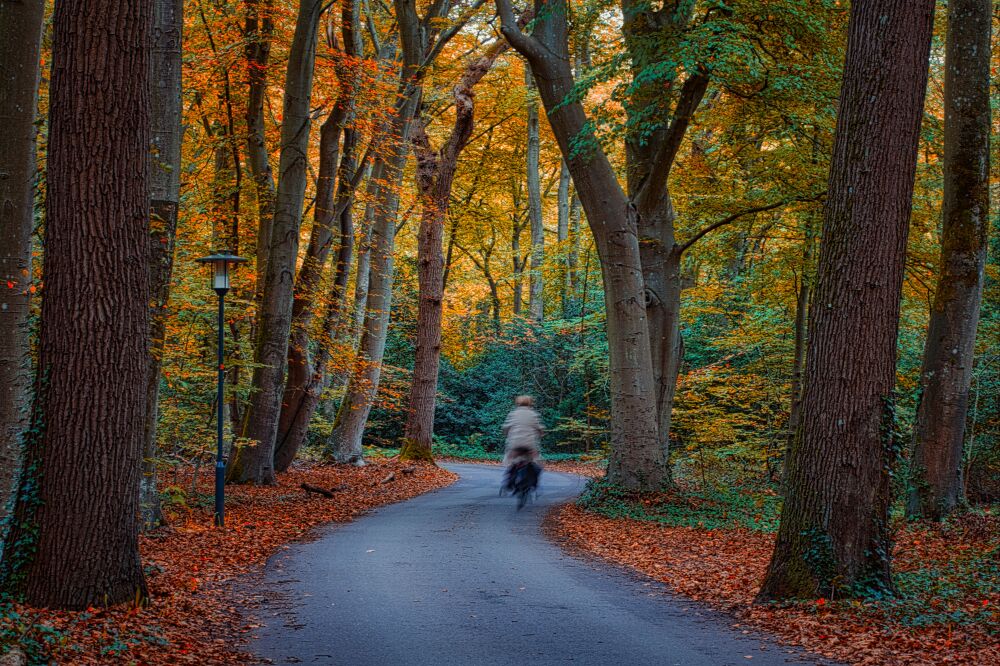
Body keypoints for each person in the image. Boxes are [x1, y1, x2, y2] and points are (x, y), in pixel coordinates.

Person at [502, 395, 544, 492]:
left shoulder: (513, 414)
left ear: (518, 403)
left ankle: (509, 481)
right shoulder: (533, 414)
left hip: (515, 444)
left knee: (512, 462)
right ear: (530, 403)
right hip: (529, 445)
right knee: (536, 462)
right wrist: (541, 433)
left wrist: (507, 433)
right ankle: (534, 484)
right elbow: (539, 428)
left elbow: (506, 427)